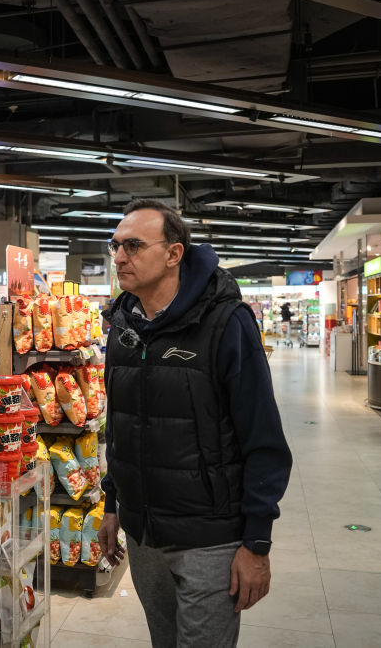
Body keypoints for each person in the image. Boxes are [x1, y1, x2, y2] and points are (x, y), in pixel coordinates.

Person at [97, 200, 293, 648]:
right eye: (115, 246)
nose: (120, 257)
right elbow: (120, 425)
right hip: (143, 536)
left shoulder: (225, 323)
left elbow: (263, 439)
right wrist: (112, 502)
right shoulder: (123, 327)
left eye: (133, 245)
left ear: (174, 254)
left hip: (210, 539)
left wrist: (257, 543)